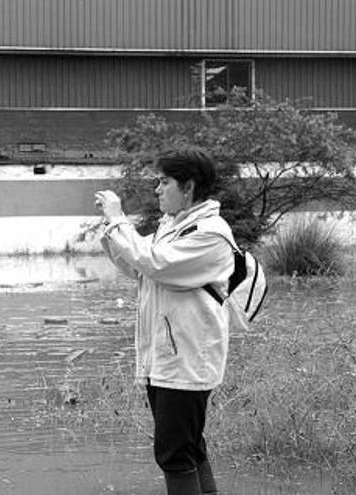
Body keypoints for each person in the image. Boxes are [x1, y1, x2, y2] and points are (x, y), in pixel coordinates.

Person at [95, 148, 235, 495]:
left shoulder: (210, 232)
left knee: (173, 453)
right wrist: (111, 229)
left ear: (187, 187)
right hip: (166, 357)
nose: (157, 189)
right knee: (188, 446)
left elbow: (155, 262)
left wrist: (118, 219)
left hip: (187, 358)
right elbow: (138, 267)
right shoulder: (172, 227)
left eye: (164, 181)